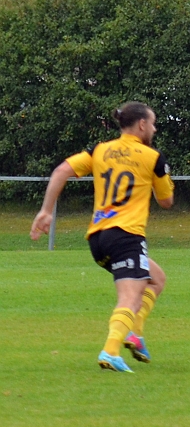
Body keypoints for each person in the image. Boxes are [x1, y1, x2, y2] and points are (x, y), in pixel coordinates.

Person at [30, 102, 175, 373]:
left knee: (156, 279)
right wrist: (161, 178)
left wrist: (46, 210)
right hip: (126, 235)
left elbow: (61, 171)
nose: (154, 129)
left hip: (98, 239)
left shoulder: (100, 150)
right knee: (130, 297)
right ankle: (110, 351)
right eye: (153, 123)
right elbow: (166, 201)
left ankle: (135, 334)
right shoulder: (152, 156)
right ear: (142, 124)